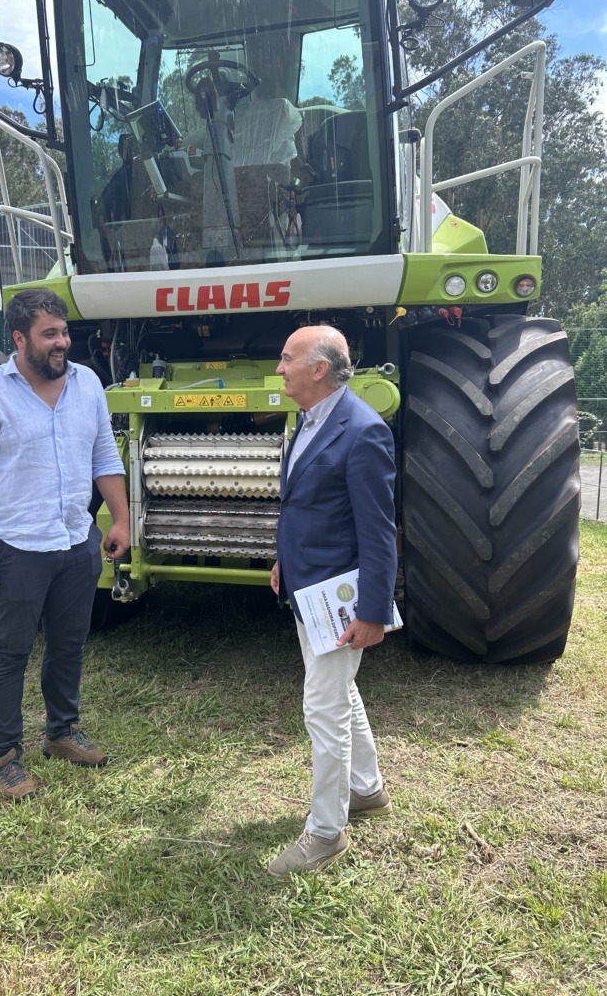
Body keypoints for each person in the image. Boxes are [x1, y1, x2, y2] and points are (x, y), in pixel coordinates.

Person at [0, 288, 130, 801]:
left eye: (64, 332)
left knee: (69, 643)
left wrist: (120, 519)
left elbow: (104, 456)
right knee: (9, 652)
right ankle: (4, 755)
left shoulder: (87, 383)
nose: (62, 342)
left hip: (75, 539)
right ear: (19, 338)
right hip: (14, 547)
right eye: (49, 334)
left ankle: (61, 732)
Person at [268, 325, 397, 876]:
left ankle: (326, 832)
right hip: (309, 589)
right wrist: (285, 560)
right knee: (338, 691)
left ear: (319, 369)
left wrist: (372, 612)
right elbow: (304, 505)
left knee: (323, 706)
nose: (279, 369)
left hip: (340, 600)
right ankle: (366, 789)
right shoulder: (309, 419)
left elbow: (379, 532)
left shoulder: (362, 431)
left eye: (287, 358)